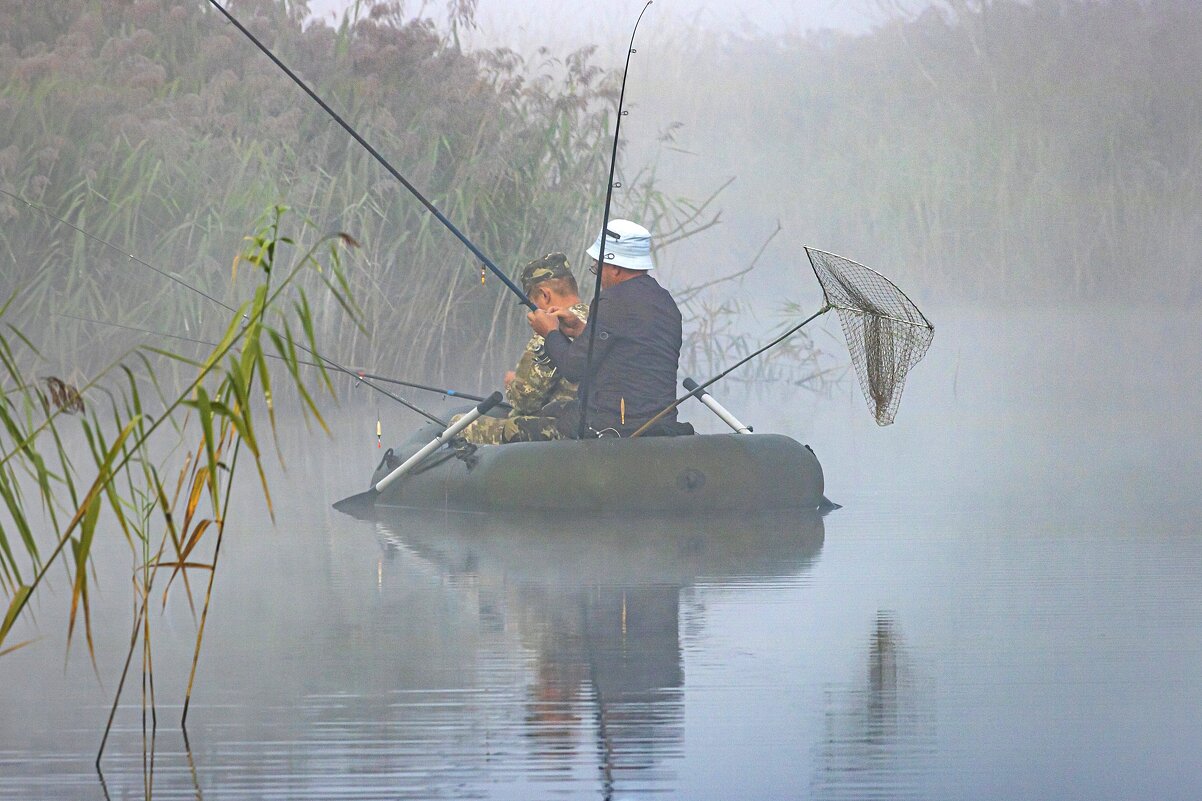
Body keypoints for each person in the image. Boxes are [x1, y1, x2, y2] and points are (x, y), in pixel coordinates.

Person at [527, 219, 688, 437]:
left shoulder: (612, 301)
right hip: (659, 423)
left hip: (613, 427)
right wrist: (580, 328)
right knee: (556, 409)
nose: (598, 275)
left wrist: (550, 333)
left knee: (538, 420)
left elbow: (573, 369)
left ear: (615, 267)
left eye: (597, 267)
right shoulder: (665, 302)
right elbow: (627, 350)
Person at [458, 253, 589, 445]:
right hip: (584, 424)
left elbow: (525, 400)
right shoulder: (595, 322)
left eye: (531, 302)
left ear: (545, 295)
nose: (531, 310)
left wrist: (512, 384)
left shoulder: (554, 326)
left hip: (557, 431)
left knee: (458, 425)